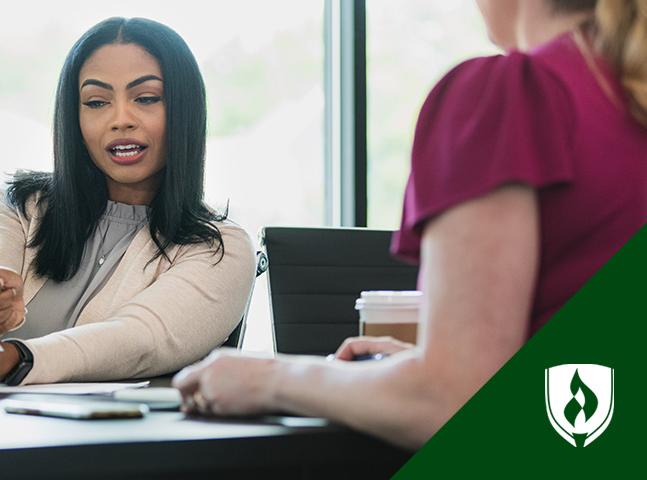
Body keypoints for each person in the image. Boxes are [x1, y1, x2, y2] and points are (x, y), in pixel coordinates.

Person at [172, 0, 647, 450]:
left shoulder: (511, 95)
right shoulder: (625, 100)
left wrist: (268, 378)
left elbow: (452, 401)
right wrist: (422, 371)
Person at [0, 17, 256, 389]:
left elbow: (137, 341)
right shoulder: (20, 204)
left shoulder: (221, 249)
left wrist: (11, 360)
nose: (120, 120)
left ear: (184, 111)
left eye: (145, 98)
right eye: (96, 102)